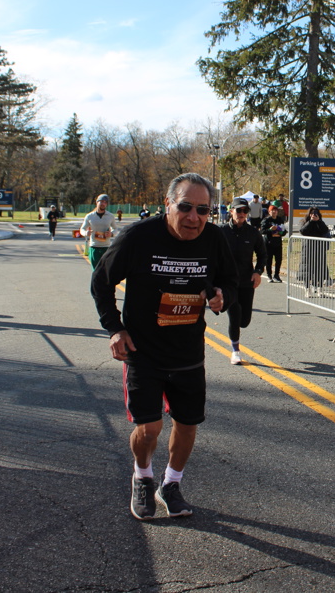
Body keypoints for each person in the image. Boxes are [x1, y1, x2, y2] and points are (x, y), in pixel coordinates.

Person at [91, 172, 237, 521]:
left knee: (188, 424)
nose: (194, 217)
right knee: (149, 428)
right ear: (168, 204)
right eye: (185, 207)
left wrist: (222, 296)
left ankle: (171, 484)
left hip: (188, 351)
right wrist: (115, 329)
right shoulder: (139, 237)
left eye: (203, 210)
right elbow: (101, 282)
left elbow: (230, 281)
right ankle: (142, 476)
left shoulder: (214, 238)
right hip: (143, 350)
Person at [220, 198, 267, 365]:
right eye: (238, 210)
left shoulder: (253, 233)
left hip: (246, 281)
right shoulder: (221, 231)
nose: (242, 214)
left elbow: (262, 255)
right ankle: (235, 351)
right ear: (231, 211)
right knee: (234, 315)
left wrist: (258, 272)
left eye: (245, 211)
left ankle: (237, 334)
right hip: (228, 283)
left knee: (244, 321)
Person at [298, 207, 330, 295]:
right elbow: (302, 231)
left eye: (316, 213)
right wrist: (311, 221)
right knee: (307, 269)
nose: (314, 215)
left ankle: (319, 288)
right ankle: (307, 289)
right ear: (309, 214)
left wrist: (319, 221)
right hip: (307, 249)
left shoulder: (320, 222)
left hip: (319, 248)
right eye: (312, 213)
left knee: (320, 268)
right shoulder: (304, 222)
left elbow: (325, 231)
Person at [80, 194, 116, 269]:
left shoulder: (110, 216)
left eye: (105, 202)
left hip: (106, 247)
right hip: (94, 247)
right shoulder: (89, 216)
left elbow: (115, 229)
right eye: (101, 201)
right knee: (95, 270)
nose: (103, 204)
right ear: (97, 202)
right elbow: (82, 229)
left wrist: (111, 234)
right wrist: (86, 233)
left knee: (106, 270)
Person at [261, 202, 287, 283]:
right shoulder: (266, 220)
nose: (274, 212)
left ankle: (276, 275)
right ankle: (269, 275)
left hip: (278, 242)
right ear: (269, 212)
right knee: (269, 260)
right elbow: (262, 231)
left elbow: (284, 231)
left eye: (275, 210)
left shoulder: (279, 220)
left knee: (278, 260)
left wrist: (281, 233)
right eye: (272, 210)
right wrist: (270, 230)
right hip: (268, 243)